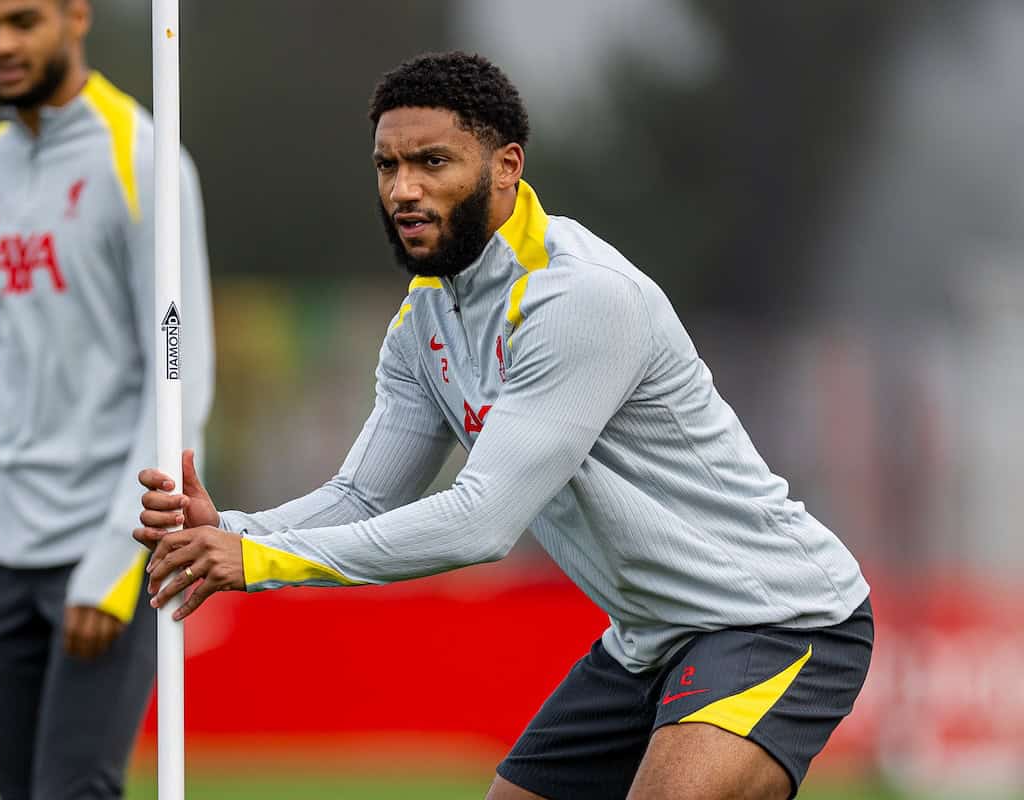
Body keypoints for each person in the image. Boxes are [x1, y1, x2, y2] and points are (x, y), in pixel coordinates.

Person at [135, 51, 871, 800]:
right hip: (649, 639)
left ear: (505, 165)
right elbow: (363, 497)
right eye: (387, 166)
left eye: (432, 162)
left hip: (776, 615)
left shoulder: (579, 297)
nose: (404, 190)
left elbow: (480, 522)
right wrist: (230, 530)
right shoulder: (424, 321)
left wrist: (257, 561)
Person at [0, 1, 214, 798]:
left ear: (76, 16)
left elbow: (184, 376)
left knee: (73, 791)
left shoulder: (144, 160)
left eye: (22, 20)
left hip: (103, 549)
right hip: (6, 563)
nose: (0, 43)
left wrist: (116, 558)